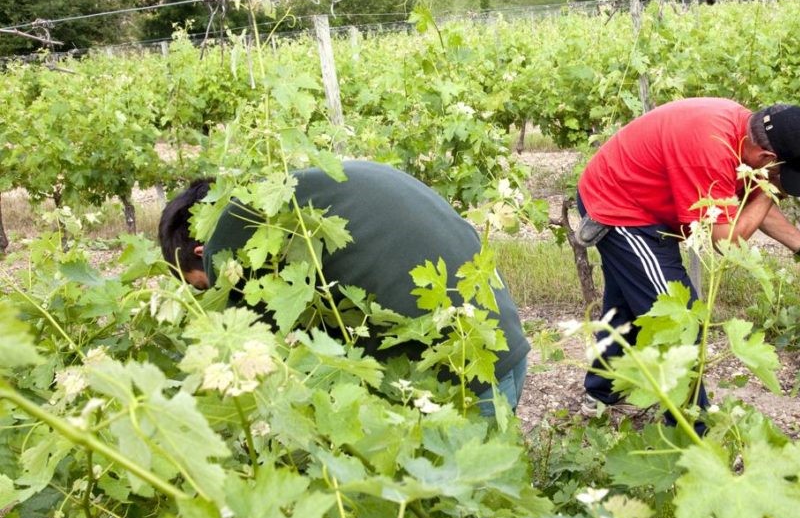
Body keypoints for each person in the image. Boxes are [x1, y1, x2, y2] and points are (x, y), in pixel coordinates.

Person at [159, 160, 530, 416]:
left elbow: (271, 367)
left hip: (460, 377)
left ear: (202, 253)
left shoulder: (238, 245)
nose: (213, 295)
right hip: (500, 341)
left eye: (203, 286)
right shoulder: (294, 196)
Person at [575, 98, 800, 416]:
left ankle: (601, 395)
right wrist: (770, 191)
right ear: (766, 156)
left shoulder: (743, 134)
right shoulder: (709, 150)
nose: (780, 183)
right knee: (681, 319)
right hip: (620, 208)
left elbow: (754, 202)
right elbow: (725, 239)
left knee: (631, 305)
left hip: (645, 203)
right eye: (782, 174)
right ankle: (690, 428)